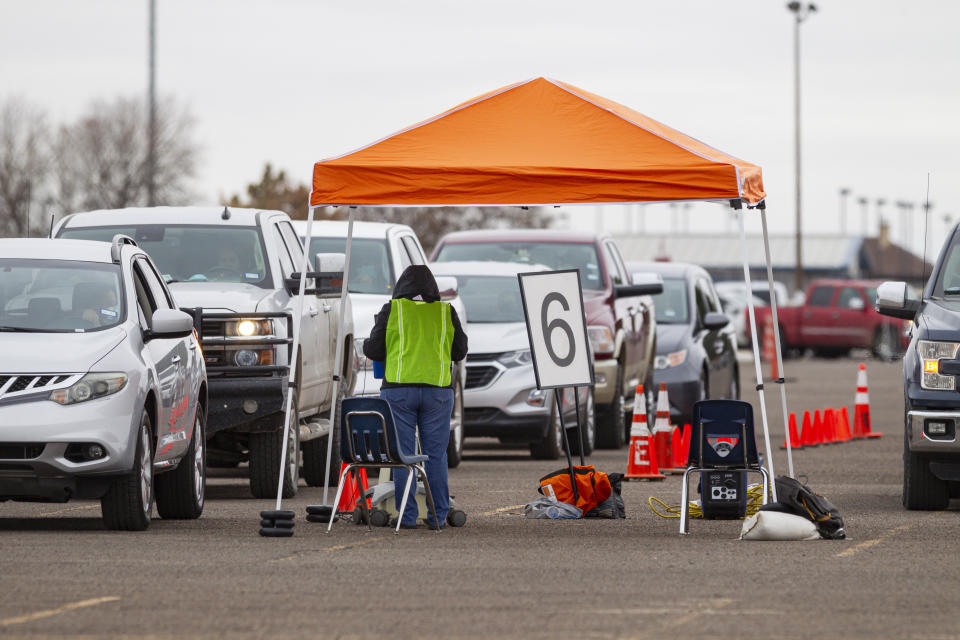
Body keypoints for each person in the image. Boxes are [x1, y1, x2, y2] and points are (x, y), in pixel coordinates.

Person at [363, 265, 468, 529]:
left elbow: (374, 350)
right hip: (438, 391)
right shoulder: (446, 312)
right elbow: (460, 352)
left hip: (399, 391)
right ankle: (438, 516)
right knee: (435, 455)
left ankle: (407, 517)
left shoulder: (392, 311)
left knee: (404, 455)